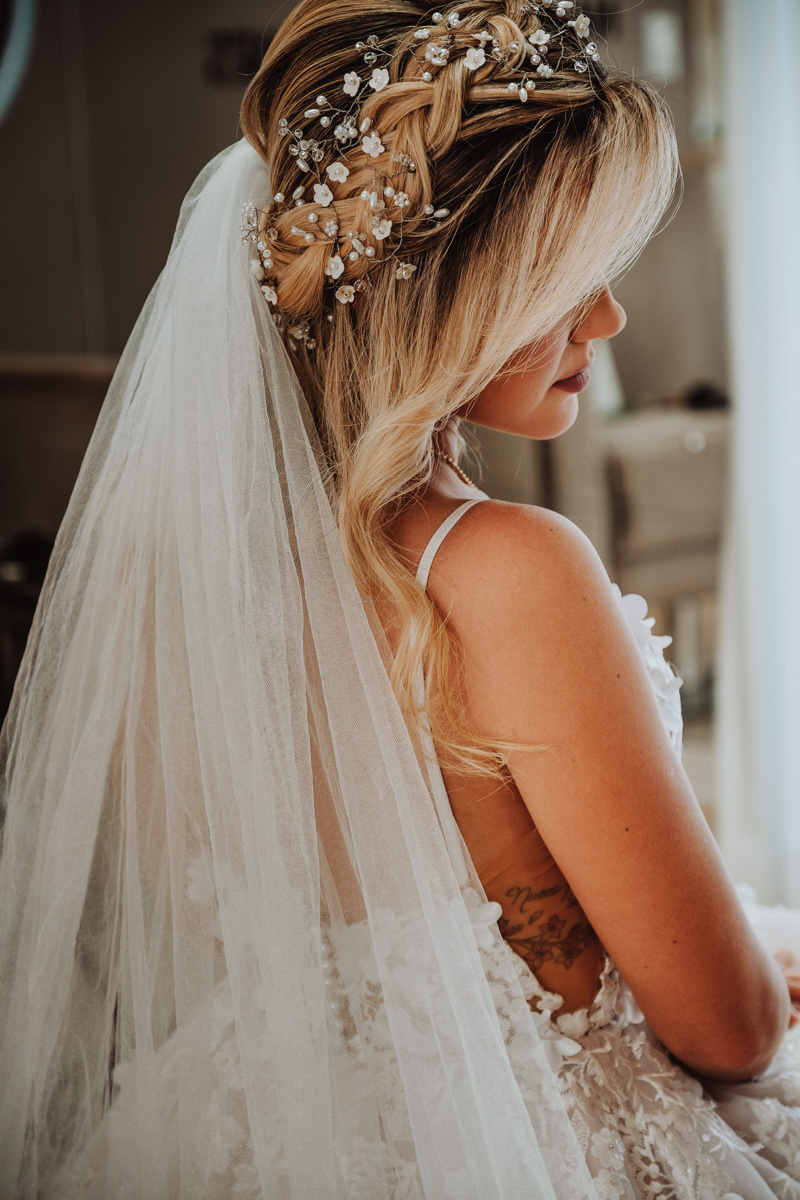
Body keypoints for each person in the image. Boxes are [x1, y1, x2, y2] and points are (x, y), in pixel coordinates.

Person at [1, 0, 799, 1196]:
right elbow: (726, 1030)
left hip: (258, 1116)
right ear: (439, 289)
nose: (608, 319)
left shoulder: (174, 584)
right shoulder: (508, 567)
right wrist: (745, 972)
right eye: (568, 279)